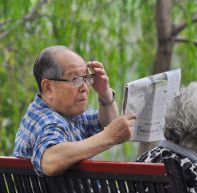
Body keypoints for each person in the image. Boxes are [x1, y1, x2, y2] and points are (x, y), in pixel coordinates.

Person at [14, 45, 136, 176]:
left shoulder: (67, 113)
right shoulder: (47, 120)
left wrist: (105, 94)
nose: (84, 88)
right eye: (75, 79)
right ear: (48, 87)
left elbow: (107, 124)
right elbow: (49, 160)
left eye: (86, 78)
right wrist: (108, 136)